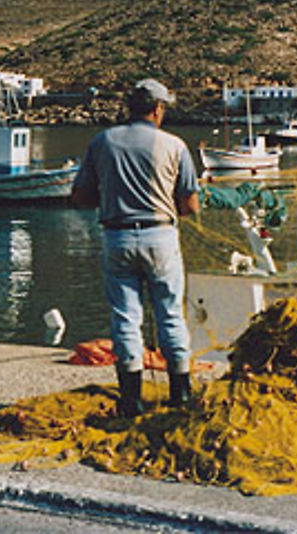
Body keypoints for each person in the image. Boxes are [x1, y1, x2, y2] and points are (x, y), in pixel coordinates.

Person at [71, 78, 201, 417]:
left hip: (117, 237)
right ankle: (180, 396)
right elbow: (190, 205)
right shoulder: (174, 145)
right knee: (170, 314)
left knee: (126, 318)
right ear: (158, 109)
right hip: (161, 237)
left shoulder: (103, 142)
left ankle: (131, 399)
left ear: (130, 107)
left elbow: (80, 197)